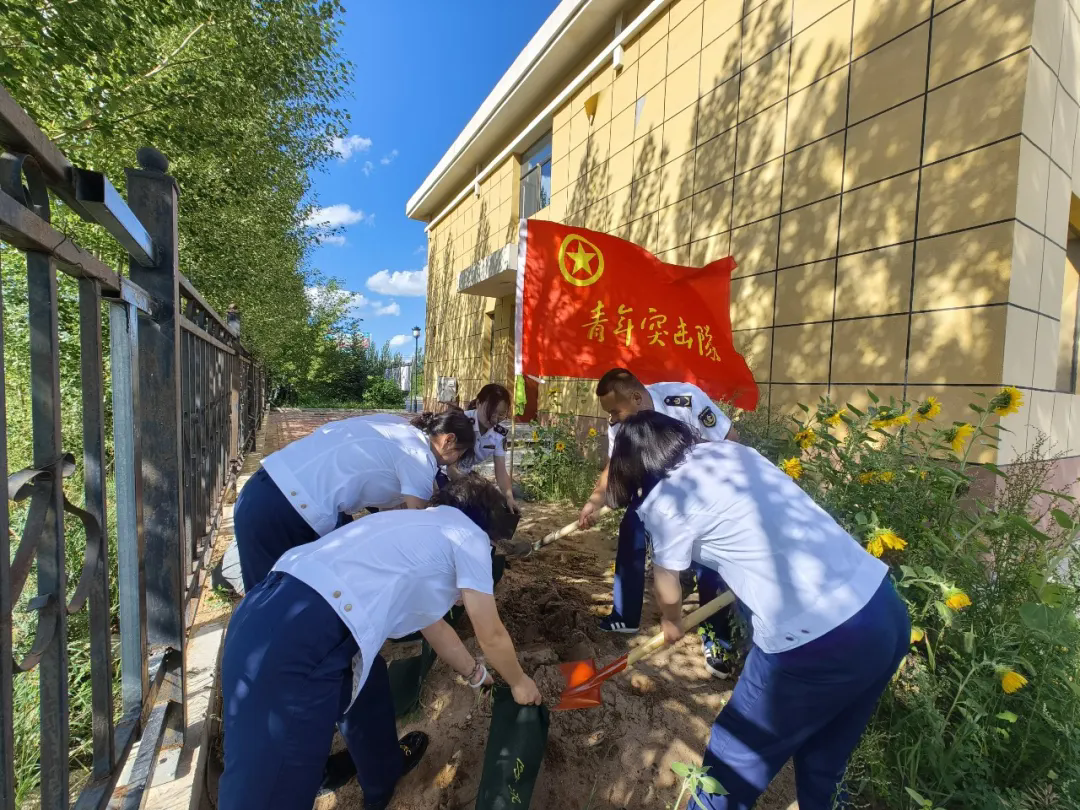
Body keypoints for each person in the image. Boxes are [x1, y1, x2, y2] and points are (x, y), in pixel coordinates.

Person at [607, 412, 910, 810]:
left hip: (813, 643)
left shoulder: (665, 500)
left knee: (730, 765)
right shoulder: (734, 455)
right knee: (825, 764)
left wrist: (670, 619)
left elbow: (668, 582)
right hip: (882, 611)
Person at [218, 475, 542, 810]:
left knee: (356, 698)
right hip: (304, 638)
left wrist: (477, 675)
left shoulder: (414, 531)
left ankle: (379, 779)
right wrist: (519, 682)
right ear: (485, 529)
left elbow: (435, 627)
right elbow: (490, 632)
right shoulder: (469, 536)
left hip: (268, 610)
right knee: (271, 791)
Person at [576, 368, 739, 677]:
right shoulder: (622, 424)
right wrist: (595, 501)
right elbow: (616, 464)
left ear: (637, 397)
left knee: (709, 565)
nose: (612, 419)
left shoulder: (685, 398)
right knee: (632, 530)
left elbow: (730, 439)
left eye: (614, 411)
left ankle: (718, 644)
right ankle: (625, 615)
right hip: (655, 481)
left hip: (704, 482)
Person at [233, 410, 475, 590]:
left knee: (277, 593)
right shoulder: (420, 457)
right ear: (448, 440)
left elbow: (395, 502)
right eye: (459, 454)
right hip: (286, 511)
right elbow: (417, 532)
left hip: (263, 487)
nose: (453, 462)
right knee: (273, 598)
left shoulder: (399, 427)